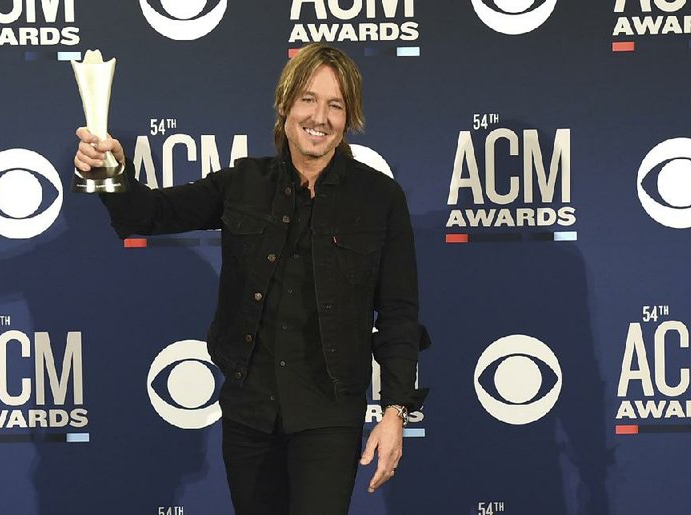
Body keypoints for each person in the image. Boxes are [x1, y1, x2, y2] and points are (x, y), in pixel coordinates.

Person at [74, 43, 427, 515]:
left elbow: (400, 314)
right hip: (249, 414)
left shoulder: (380, 199)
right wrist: (111, 172)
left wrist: (394, 412)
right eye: (308, 99)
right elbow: (150, 214)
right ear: (285, 106)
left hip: (328, 415)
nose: (319, 116)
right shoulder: (242, 183)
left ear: (348, 118)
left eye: (335, 105)